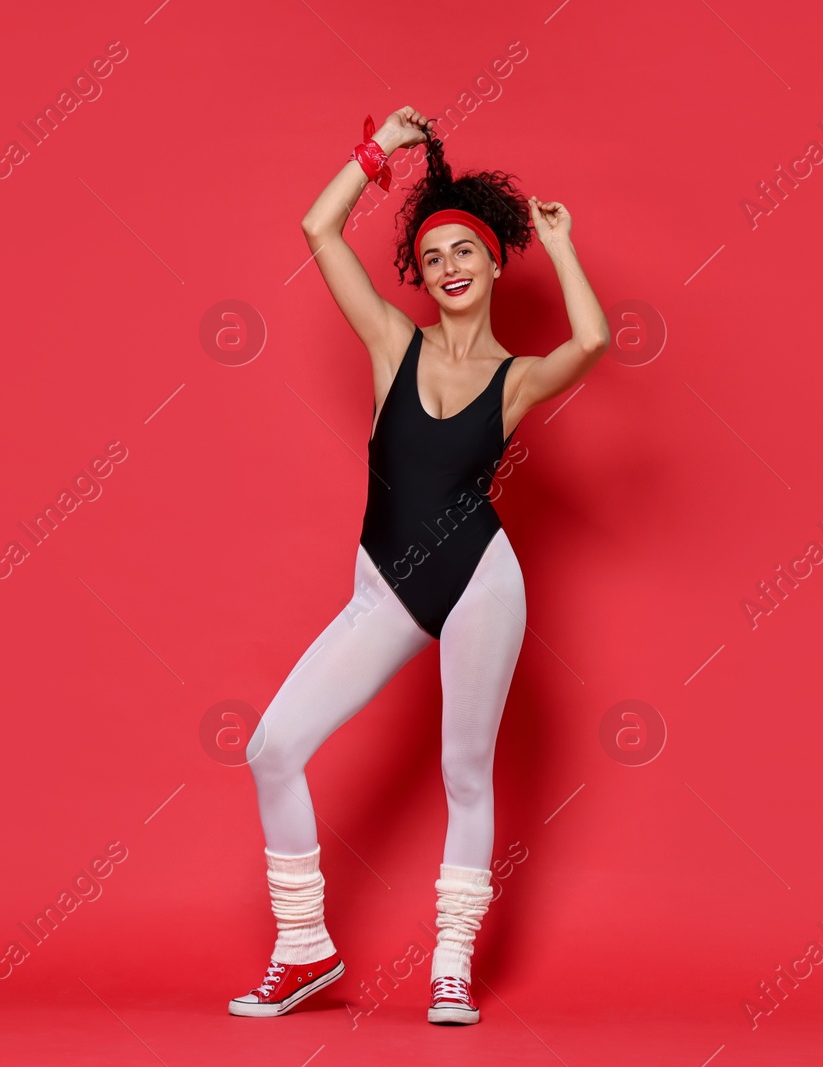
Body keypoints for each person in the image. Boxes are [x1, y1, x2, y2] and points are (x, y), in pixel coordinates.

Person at [228, 106, 609, 1025]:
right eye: (432, 257)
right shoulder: (391, 348)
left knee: (465, 770)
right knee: (274, 746)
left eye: (463, 253)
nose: (448, 268)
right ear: (422, 275)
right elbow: (319, 229)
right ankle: (304, 946)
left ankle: (449, 966)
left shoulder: (515, 379)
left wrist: (559, 245)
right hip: (387, 587)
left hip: (482, 578)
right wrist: (380, 155)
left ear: (490, 263)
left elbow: (592, 343)